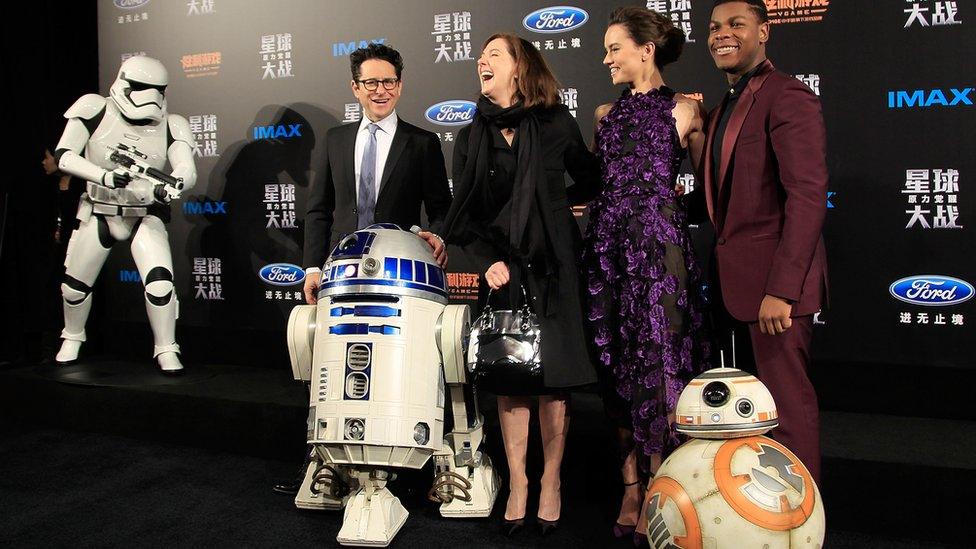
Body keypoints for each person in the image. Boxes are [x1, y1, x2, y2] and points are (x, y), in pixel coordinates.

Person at [442, 33, 601, 536]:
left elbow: (590, 181)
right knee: (511, 378)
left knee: (554, 382)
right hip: (503, 271)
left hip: (555, 267)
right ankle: (518, 483)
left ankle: (550, 482)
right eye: (480, 56)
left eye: (493, 55)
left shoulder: (555, 124)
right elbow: (464, 215)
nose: (480, 61)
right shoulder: (471, 136)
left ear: (519, 68)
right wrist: (488, 259)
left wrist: (548, 211)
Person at [583, 6, 712, 540]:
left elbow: (708, 194)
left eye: (615, 47)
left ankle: (667, 482)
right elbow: (595, 185)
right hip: (607, 251)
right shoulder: (603, 115)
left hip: (660, 251)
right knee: (615, 360)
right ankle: (631, 485)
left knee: (660, 359)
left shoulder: (685, 112)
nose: (606, 57)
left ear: (646, 50)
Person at [701, 0, 828, 482]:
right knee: (749, 414)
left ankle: (802, 515)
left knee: (788, 409)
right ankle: (760, 515)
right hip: (731, 289)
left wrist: (783, 290)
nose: (722, 35)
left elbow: (808, 196)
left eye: (736, 25)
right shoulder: (721, 110)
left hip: (775, 292)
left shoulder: (787, 95)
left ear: (765, 31)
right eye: (714, 28)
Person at [53, 55, 197, 373]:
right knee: (74, 286)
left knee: (160, 284)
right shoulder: (94, 108)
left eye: (157, 90)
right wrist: (103, 176)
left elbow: (186, 168)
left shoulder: (172, 123)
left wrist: (170, 185)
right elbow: (64, 156)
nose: (151, 97)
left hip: (144, 212)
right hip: (99, 209)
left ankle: (166, 346)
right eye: (143, 88)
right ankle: (73, 335)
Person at [302, 43, 452, 305]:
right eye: (371, 83)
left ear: (400, 86)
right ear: (356, 88)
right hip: (341, 268)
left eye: (389, 82)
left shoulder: (422, 143)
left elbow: (441, 209)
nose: (381, 91)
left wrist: (437, 237)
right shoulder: (335, 140)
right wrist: (313, 267)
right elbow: (319, 210)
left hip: (400, 270)